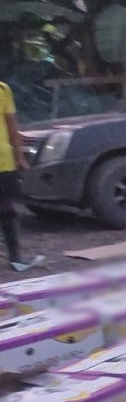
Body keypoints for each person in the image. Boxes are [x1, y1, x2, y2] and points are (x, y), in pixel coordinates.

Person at [0, 82, 43, 272]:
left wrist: (19, 157)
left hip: (4, 163)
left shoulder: (3, 89)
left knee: (8, 211)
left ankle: (16, 259)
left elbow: (11, 126)